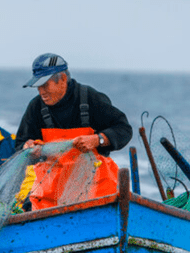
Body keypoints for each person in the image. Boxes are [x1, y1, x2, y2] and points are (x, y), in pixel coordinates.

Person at [15, 53, 133, 210]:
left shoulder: (89, 98)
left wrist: (98, 140)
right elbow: (20, 145)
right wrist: (27, 148)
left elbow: (124, 128)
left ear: (63, 79)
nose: (41, 91)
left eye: (45, 85)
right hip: (51, 192)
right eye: (38, 86)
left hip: (96, 186)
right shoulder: (36, 107)